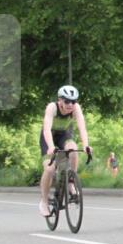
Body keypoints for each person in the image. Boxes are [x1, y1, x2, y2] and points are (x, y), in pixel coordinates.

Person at [38, 85, 92, 216]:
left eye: (73, 101)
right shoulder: (52, 107)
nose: (70, 105)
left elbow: (82, 128)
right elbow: (46, 129)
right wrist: (51, 146)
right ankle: (44, 201)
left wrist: (86, 145)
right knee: (49, 169)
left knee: (73, 149)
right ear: (60, 100)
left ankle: (70, 182)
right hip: (49, 137)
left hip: (64, 135)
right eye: (67, 101)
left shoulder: (76, 108)